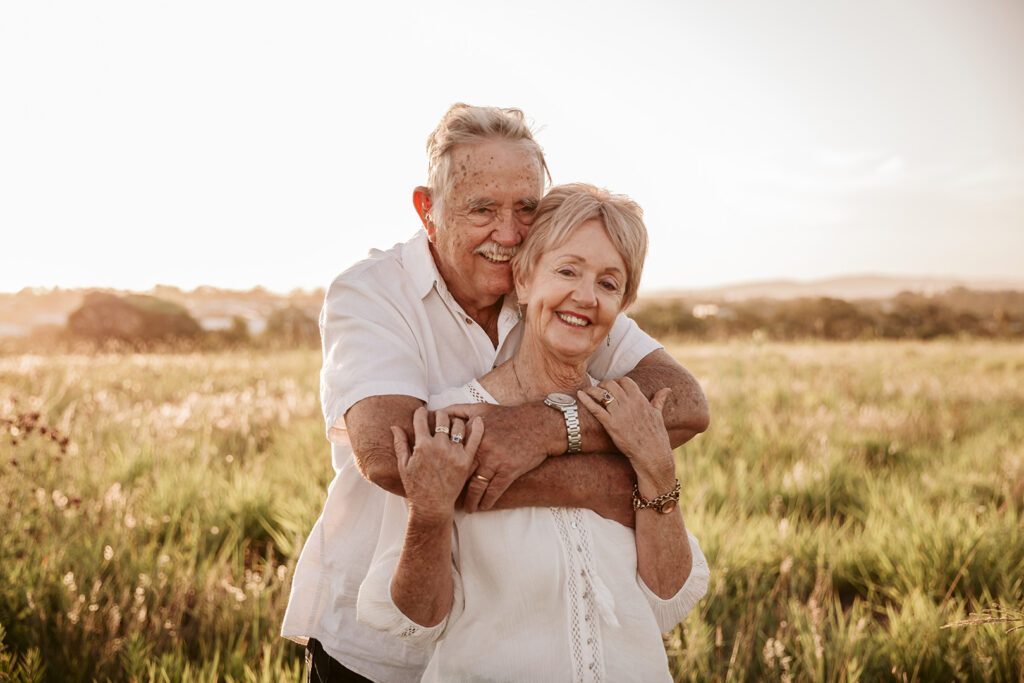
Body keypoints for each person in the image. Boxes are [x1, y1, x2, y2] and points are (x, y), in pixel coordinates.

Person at [281, 104, 710, 682]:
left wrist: (543, 428)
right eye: (482, 208)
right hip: (377, 652)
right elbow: (392, 457)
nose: (507, 234)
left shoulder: (555, 285)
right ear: (427, 209)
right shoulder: (374, 291)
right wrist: (610, 485)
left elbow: (682, 402)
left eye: (526, 209)